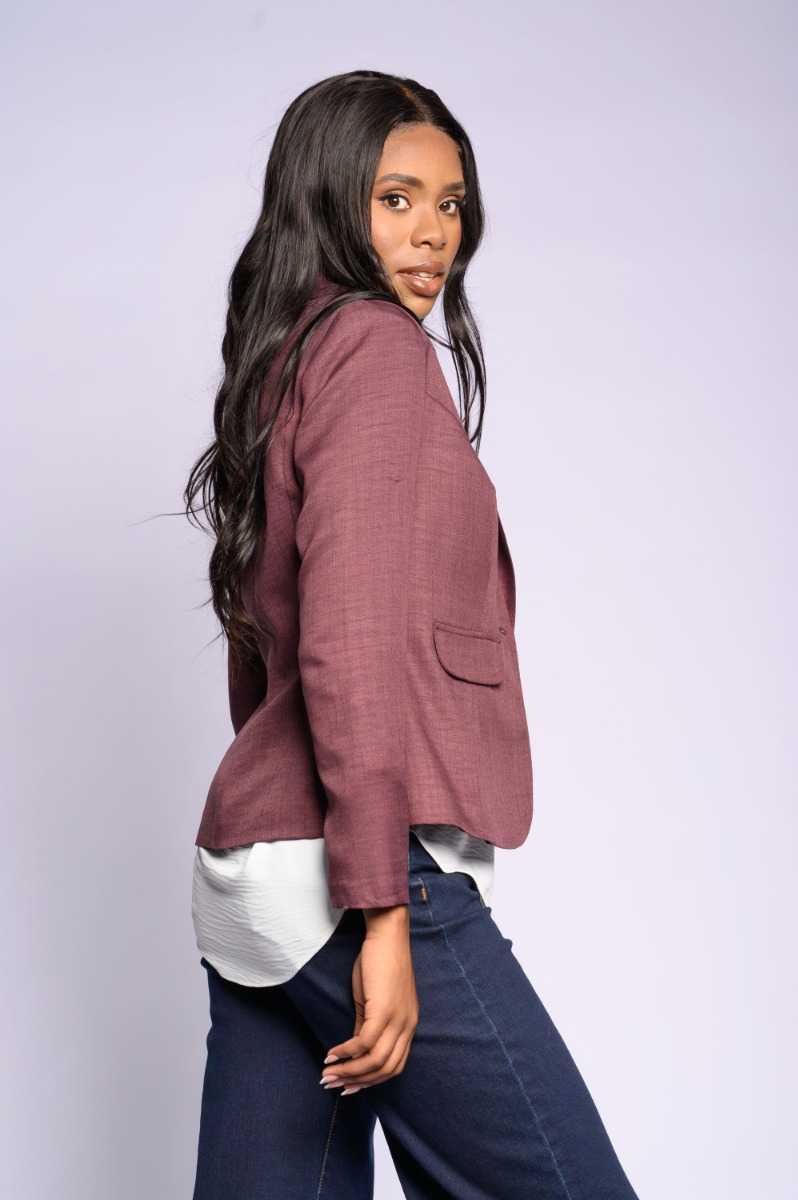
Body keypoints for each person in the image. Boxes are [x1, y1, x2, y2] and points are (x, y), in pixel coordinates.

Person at [184, 69, 640, 1200]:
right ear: (329, 199)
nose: (435, 233)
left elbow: (267, 644)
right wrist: (380, 904)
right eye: (396, 199)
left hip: (257, 869)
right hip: (355, 877)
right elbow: (346, 639)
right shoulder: (376, 350)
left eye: (451, 202)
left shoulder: (287, 356)